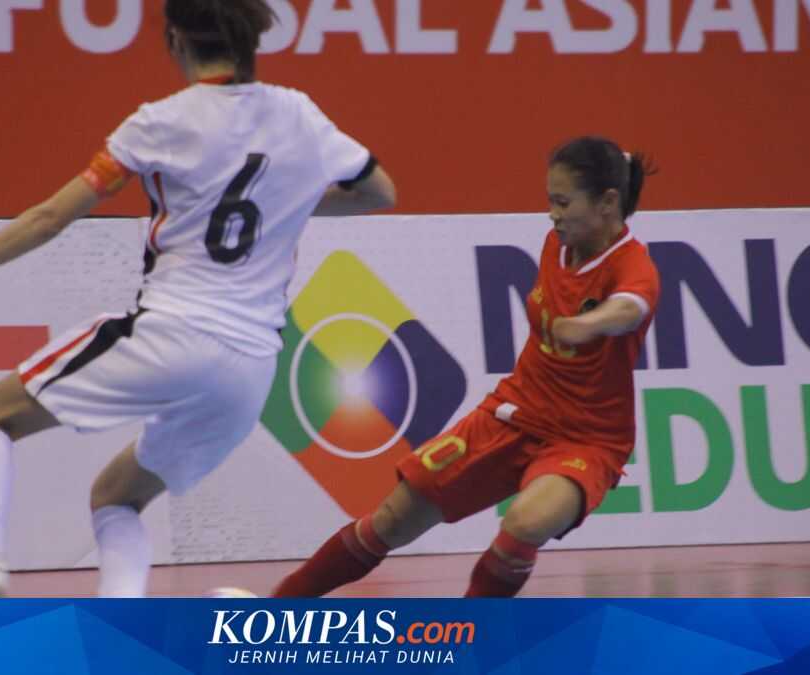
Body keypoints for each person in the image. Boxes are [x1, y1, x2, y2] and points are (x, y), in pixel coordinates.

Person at [0, 0, 396, 598]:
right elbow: (379, 192)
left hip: (173, 333)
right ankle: (122, 618)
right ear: (252, 42)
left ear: (175, 40)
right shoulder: (300, 113)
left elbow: (48, 218)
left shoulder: (158, 122)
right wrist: (288, 202)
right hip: (250, 372)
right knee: (116, 497)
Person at [271, 136, 658, 598]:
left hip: (586, 439)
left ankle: (470, 637)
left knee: (523, 524)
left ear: (607, 203)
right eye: (550, 201)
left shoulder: (633, 264)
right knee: (391, 521)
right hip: (513, 412)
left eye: (563, 202)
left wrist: (588, 324)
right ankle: (274, 610)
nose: (552, 214)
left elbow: (631, 306)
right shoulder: (557, 244)